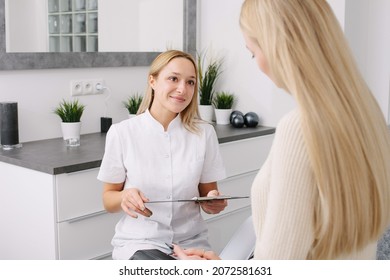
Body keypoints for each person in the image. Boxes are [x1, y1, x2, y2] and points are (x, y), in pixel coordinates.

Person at [174, 0, 390, 260]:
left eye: (253, 53)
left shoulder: (299, 129)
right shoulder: (369, 115)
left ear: (277, 45)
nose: (258, 65)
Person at [97, 50, 227, 260]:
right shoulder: (123, 133)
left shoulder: (205, 134)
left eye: (191, 82)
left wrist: (213, 201)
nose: (182, 89)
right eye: (173, 78)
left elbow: (209, 194)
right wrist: (124, 196)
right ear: (153, 81)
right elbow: (108, 200)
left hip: (191, 243)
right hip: (141, 242)